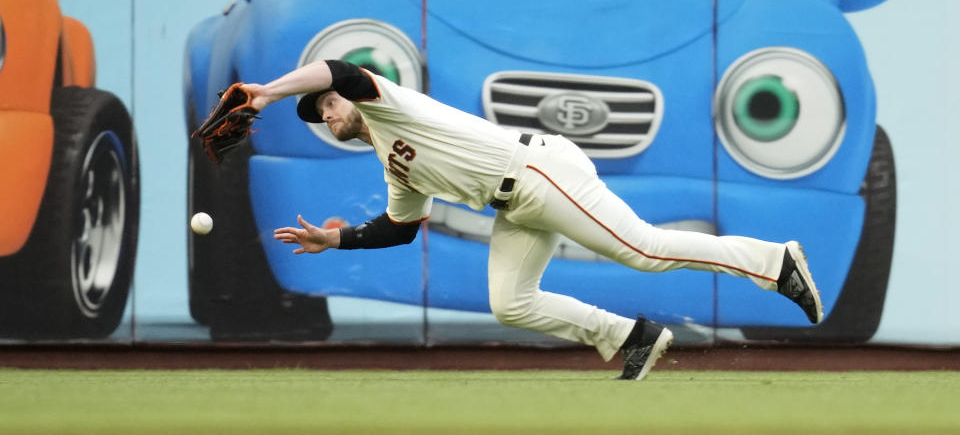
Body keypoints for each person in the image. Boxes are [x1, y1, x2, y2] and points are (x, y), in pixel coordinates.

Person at [244, 59, 823, 381]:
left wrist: (268, 93)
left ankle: (776, 262)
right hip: (517, 202)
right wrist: (332, 239)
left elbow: (339, 70)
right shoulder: (394, 164)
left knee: (643, 251)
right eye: (320, 114)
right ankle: (633, 338)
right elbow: (399, 228)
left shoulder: (385, 102)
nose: (328, 111)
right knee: (511, 302)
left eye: (327, 103)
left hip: (538, 171)